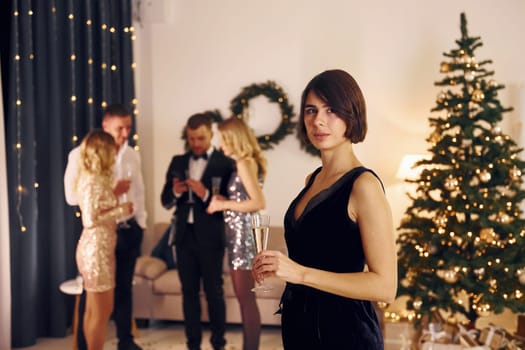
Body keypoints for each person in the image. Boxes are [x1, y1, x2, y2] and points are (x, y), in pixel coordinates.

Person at [251, 69, 397, 349]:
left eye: (331, 109)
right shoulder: (313, 180)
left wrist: (300, 273)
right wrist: (278, 266)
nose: (318, 120)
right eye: (311, 110)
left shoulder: (363, 185)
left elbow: (385, 287)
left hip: (345, 333)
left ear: (351, 114)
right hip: (300, 328)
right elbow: (318, 253)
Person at [64, 104, 147, 350]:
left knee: (122, 292)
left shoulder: (132, 154)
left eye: (128, 128)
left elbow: (140, 192)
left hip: (125, 231)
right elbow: (73, 197)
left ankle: (126, 342)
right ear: (106, 126)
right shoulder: (79, 156)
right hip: (97, 242)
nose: (125, 134)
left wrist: (139, 222)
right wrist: (116, 197)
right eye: (120, 128)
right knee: (96, 302)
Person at [161, 113, 235, 350]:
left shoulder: (225, 164)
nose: (195, 144)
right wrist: (177, 192)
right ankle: (192, 344)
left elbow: (232, 203)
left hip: (212, 237)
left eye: (200, 138)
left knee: (214, 292)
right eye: (192, 139)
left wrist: (204, 194)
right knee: (189, 292)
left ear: (211, 135)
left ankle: (218, 343)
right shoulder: (177, 162)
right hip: (183, 237)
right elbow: (165, 200)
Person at [206, 117, 267, 350]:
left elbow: (258, 202)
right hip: (237, 235)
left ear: (233, 138)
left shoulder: (244, 163)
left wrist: (223, 205)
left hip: (243, 238)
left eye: (222, 138)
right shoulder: (245, 163)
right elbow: (244, 199)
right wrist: (227, 201)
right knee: (245, 300)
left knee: (246, 300)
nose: (220, 144)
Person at [74, 130, 134, 350]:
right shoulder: (91, 180)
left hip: (100, 247)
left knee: (94, 310)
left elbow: (97, 209)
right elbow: (90, 219)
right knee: (101, 312)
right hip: (96, 249)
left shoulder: (96, 178)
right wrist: (120, 210)